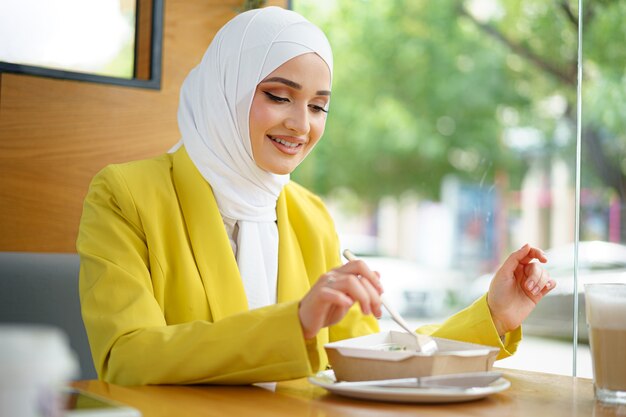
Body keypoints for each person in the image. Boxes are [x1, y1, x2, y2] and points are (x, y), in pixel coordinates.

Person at [76, 6, 555, 386]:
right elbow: (127, 356)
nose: (301, 125)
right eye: (279, 96)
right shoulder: (126, 194)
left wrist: (492, 315)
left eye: (319, 106)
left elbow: (368, 359)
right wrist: (295, 324)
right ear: (228, 90)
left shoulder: (309, 216)